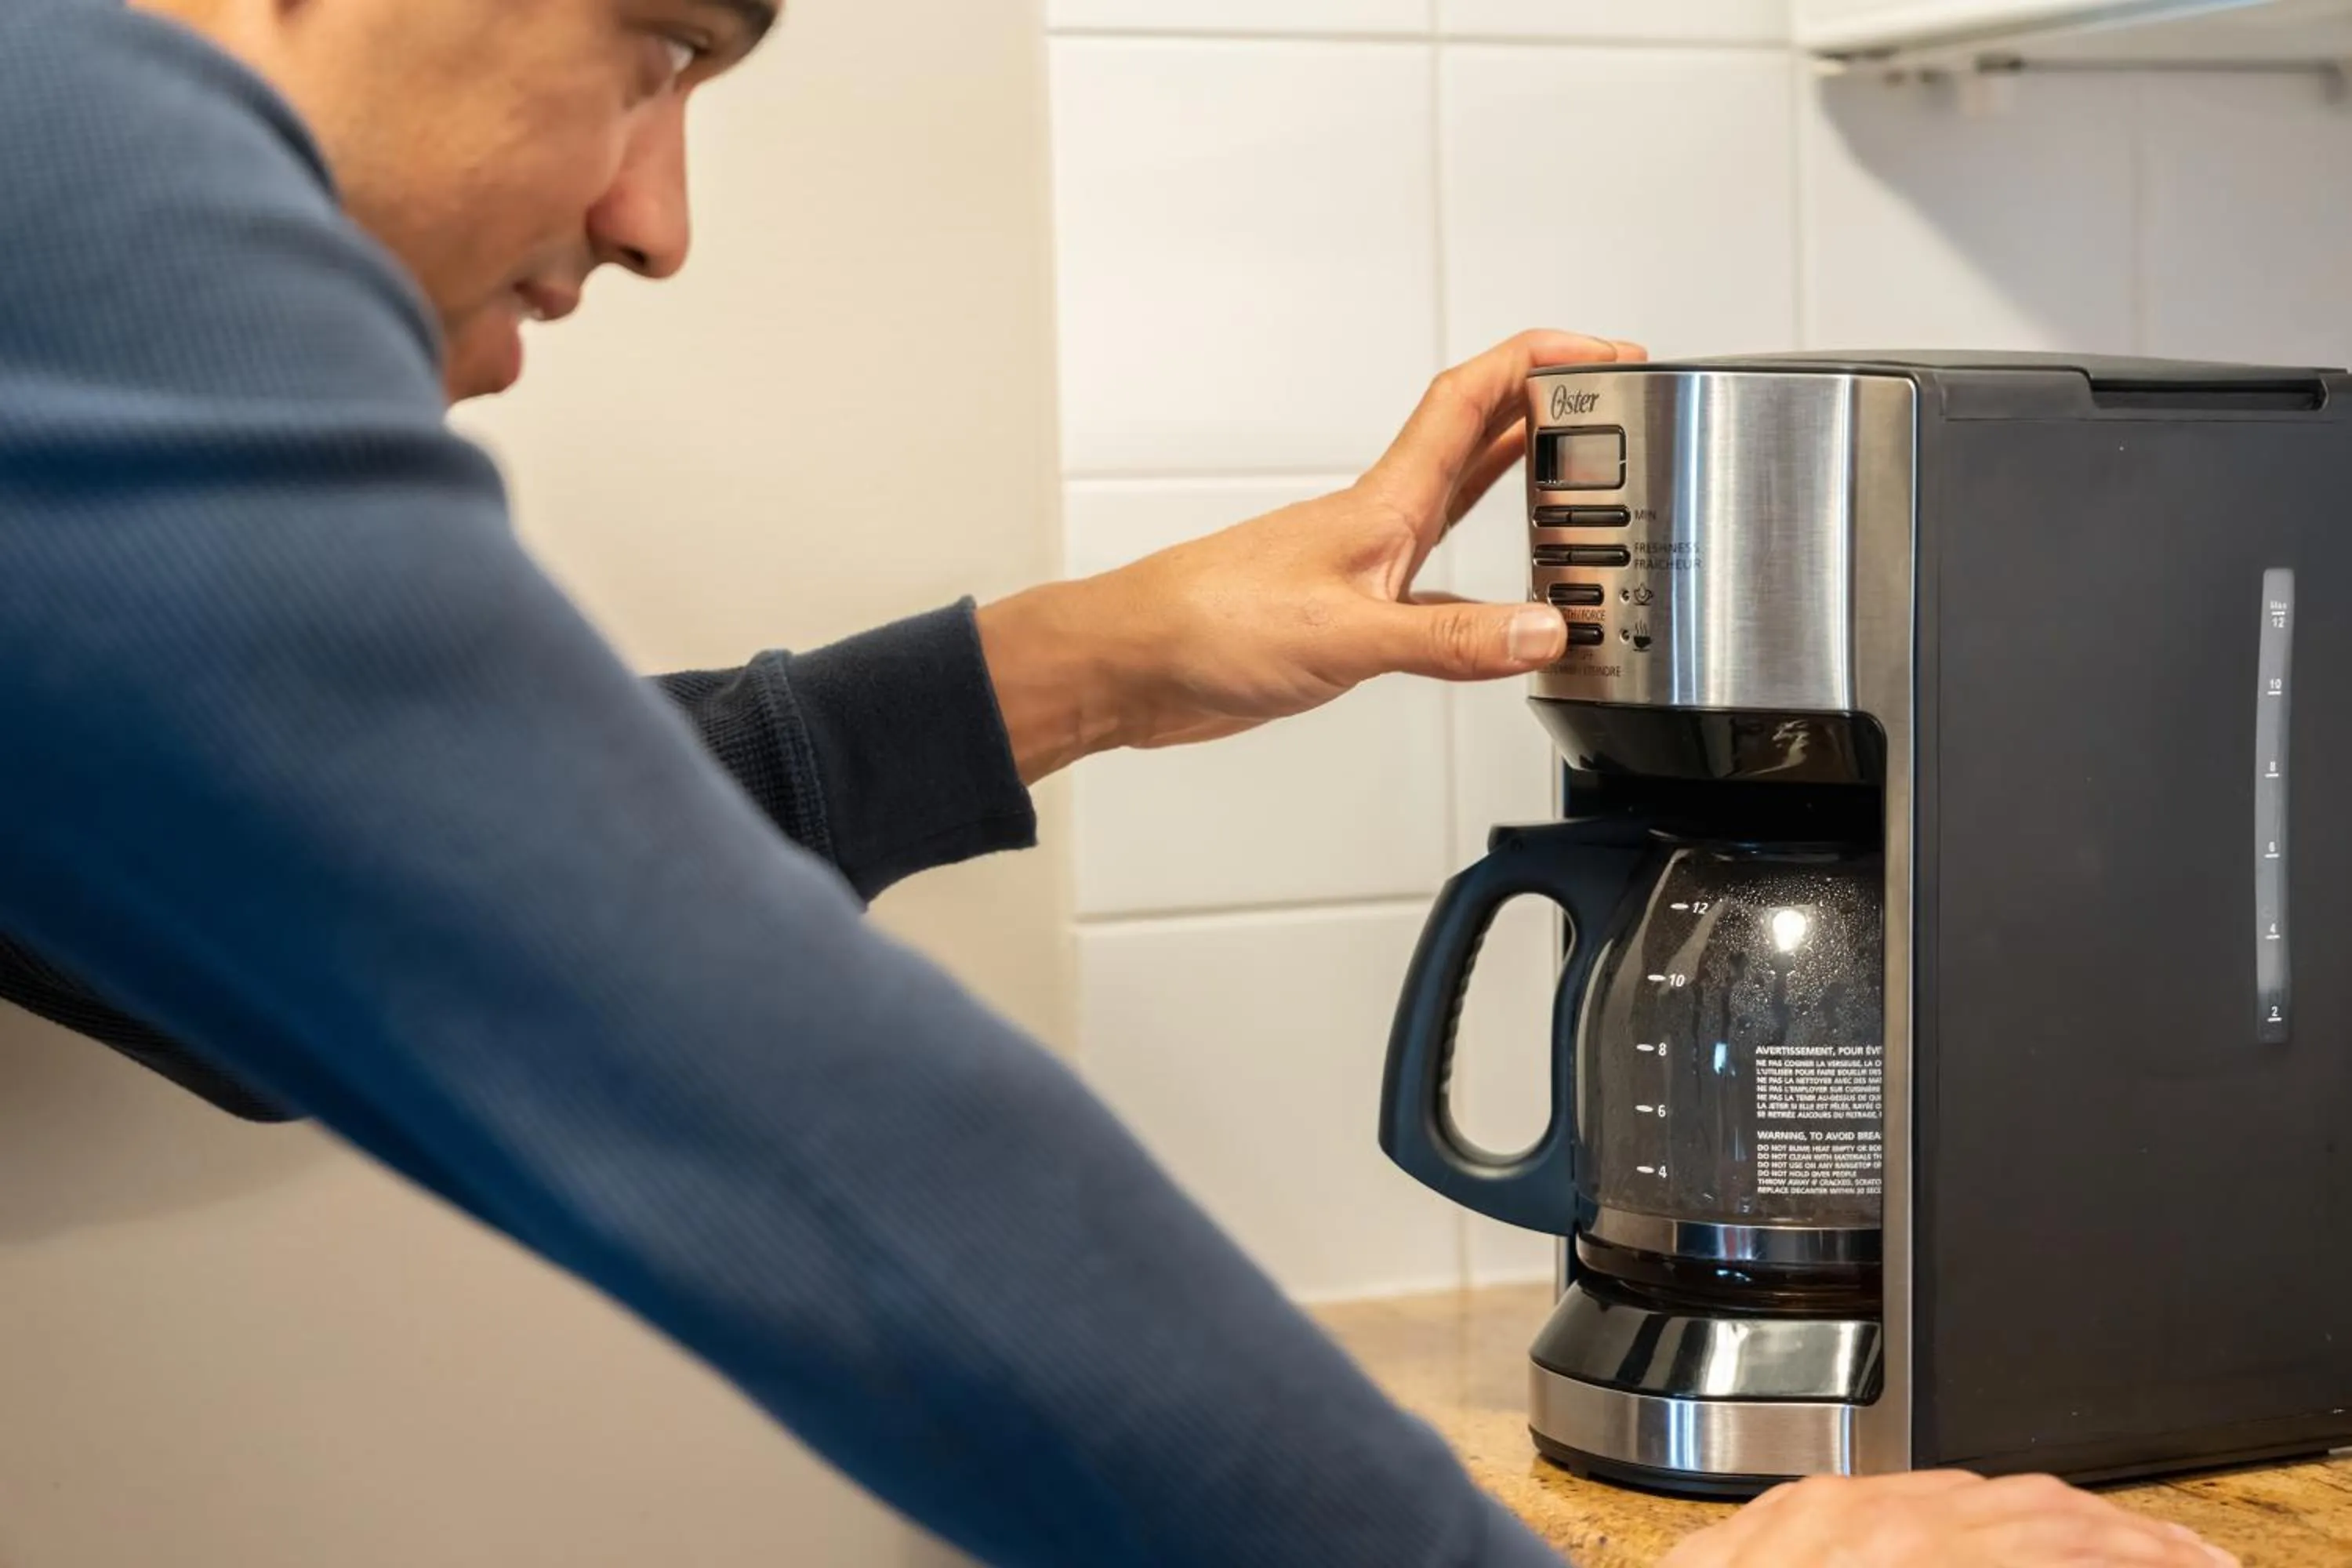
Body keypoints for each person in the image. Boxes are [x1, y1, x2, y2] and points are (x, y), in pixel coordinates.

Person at [0, 2, 2236, 1564]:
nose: (659, 214)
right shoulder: (80, 163)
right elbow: (762, 1101)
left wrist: (1085, 661)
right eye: (658, 46)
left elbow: (243, 964)